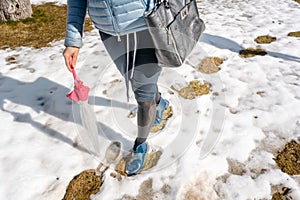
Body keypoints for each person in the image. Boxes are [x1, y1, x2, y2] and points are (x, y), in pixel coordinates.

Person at [62, 0, 171, 176]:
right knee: (137, 81)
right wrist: (73, 40)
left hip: (145, 23)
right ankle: (159, 102)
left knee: (143, 93)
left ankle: (140, 144)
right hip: (109, 32)